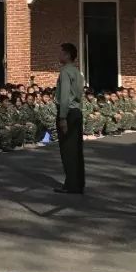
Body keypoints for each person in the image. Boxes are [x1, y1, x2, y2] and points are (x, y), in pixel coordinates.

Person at [54, 43, 85, 194]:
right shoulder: (77, 72)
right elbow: (79, 94)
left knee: (68, 151)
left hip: (68, 112)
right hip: (77, 111)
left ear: (67, 55)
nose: (58, 55)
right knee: (76, 150)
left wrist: (62, 117)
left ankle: (72, 185)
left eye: (60, 53)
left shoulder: (65, 71)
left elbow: (65, 96)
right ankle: (78, 183)